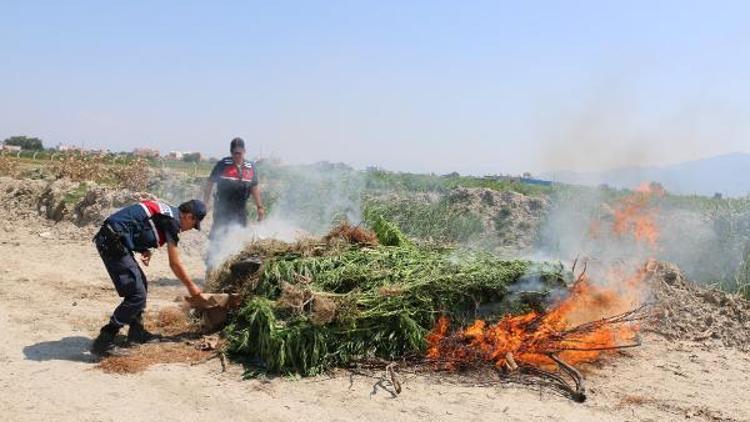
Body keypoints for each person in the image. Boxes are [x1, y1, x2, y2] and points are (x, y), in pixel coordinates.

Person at [91, 199, 207, 356]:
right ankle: (104, 340)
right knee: (137, 294)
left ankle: (136, 332)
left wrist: (143, 248)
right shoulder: (172, 221)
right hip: (111, 243)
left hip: (114, 239)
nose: (190, 229)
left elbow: (137, 224)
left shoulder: (167, 212)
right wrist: (191, 286)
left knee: (141, 286)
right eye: (193, 225)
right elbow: (174, 264)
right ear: (189, 216)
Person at [203, 137, 265, 239]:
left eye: (239, 153)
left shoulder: (250, 167)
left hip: (241, 209)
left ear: (244, 152)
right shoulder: (222, 164)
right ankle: (213, 254)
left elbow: (254, 187)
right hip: (223, 208)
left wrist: (259, 207)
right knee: (218, 235)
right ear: (231, 152)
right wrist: (205, 203)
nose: (237, 155)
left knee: (239, 236)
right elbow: (209, 183)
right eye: (234, 153)